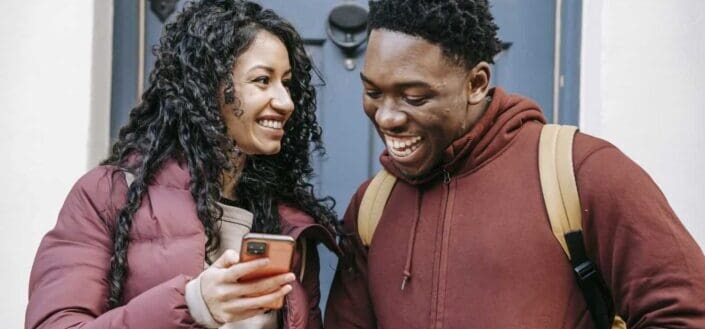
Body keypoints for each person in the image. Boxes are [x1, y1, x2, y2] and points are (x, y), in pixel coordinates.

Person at [324, 0, 705, 328]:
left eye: (414, 97)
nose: (387, 117)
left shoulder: (583, 172)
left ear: (476, 83)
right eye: (373, 91)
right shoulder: (373, 204)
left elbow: (686, 314)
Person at [25, 1, 339, 328]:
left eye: (286, 82)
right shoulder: (108, 196)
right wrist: (193, 304)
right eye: (262, 80)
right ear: (207, 86)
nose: (285, 102)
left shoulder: (289, 224)